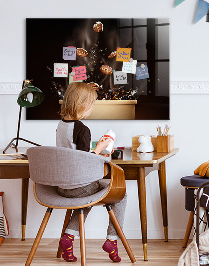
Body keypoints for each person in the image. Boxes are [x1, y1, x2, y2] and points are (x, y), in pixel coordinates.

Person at [56, 82, 126, 263]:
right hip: (79, 186)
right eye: (91, 104)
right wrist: (101, 148)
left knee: (86, 197)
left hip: (62, 186)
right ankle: (112, 240)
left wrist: (95, 150)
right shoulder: (82, 129)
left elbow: (73, 154)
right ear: (82, 105)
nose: (92, 108)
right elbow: (83, 161)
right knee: (121, 194)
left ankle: (68, 238)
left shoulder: (61, 125)